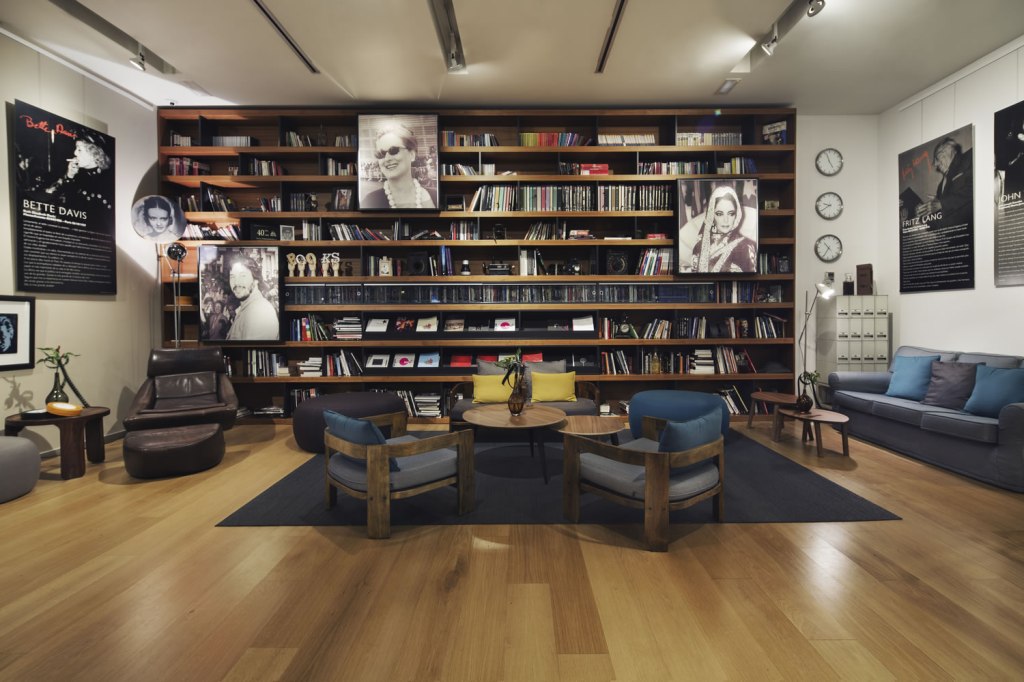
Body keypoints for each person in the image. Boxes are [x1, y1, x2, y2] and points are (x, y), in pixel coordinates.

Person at [361, 123, 435, 209]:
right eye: (381, 154)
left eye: (394, 150)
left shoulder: (435, 196)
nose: (387, 159)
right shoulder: (370, 202)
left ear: (412, 154)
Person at [690, 185, 757, 273]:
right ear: (712, 215)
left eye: (731, 213)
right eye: (719, 214)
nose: (726, 220)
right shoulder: (699, 246)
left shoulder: (746, 246)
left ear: (736, 215)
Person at [43, 133, 112, 210]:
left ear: (94, 153)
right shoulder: (77, 175)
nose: (75, 153)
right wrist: (70, 175)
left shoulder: (109, 179)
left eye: (79, 150)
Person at [915, 137, 973, 227]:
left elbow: (975, 187)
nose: (935, 164)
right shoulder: (941, 186)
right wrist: (923, 214)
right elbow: (940, 222)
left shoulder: (970, 156)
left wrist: (942, 203)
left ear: (951, 150)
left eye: (938, 157)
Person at [225, 257, 279, 340]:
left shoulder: (261, 312)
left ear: (256, 280)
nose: (236, 282)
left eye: (242, 276)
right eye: (232, 277)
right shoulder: (245, 308)